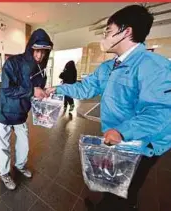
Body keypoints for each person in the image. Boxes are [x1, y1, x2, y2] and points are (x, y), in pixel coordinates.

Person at [47, 5, 171, 211]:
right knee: (111, 180)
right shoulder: (108, 67)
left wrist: (123, 131)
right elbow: (86, 88)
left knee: (123, 190)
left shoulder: (154, 66)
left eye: (108, 30)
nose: (104, 36)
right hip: (113, 138)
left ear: (126, 31)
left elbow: (161, 112)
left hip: (138, 146)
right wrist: (56, 89)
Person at [0, 28, 53, 190]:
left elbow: (37, 90)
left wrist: (44, 93)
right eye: (37, 50)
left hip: (21, 113)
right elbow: (7, 89)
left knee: (24, 143)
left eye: (43, 52)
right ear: (30, 48)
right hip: (4, 112)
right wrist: (32, 91)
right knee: (3, 145)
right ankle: (4, 173)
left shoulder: (41, 69)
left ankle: (20, 165)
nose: (40, 55)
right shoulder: (13, 63)